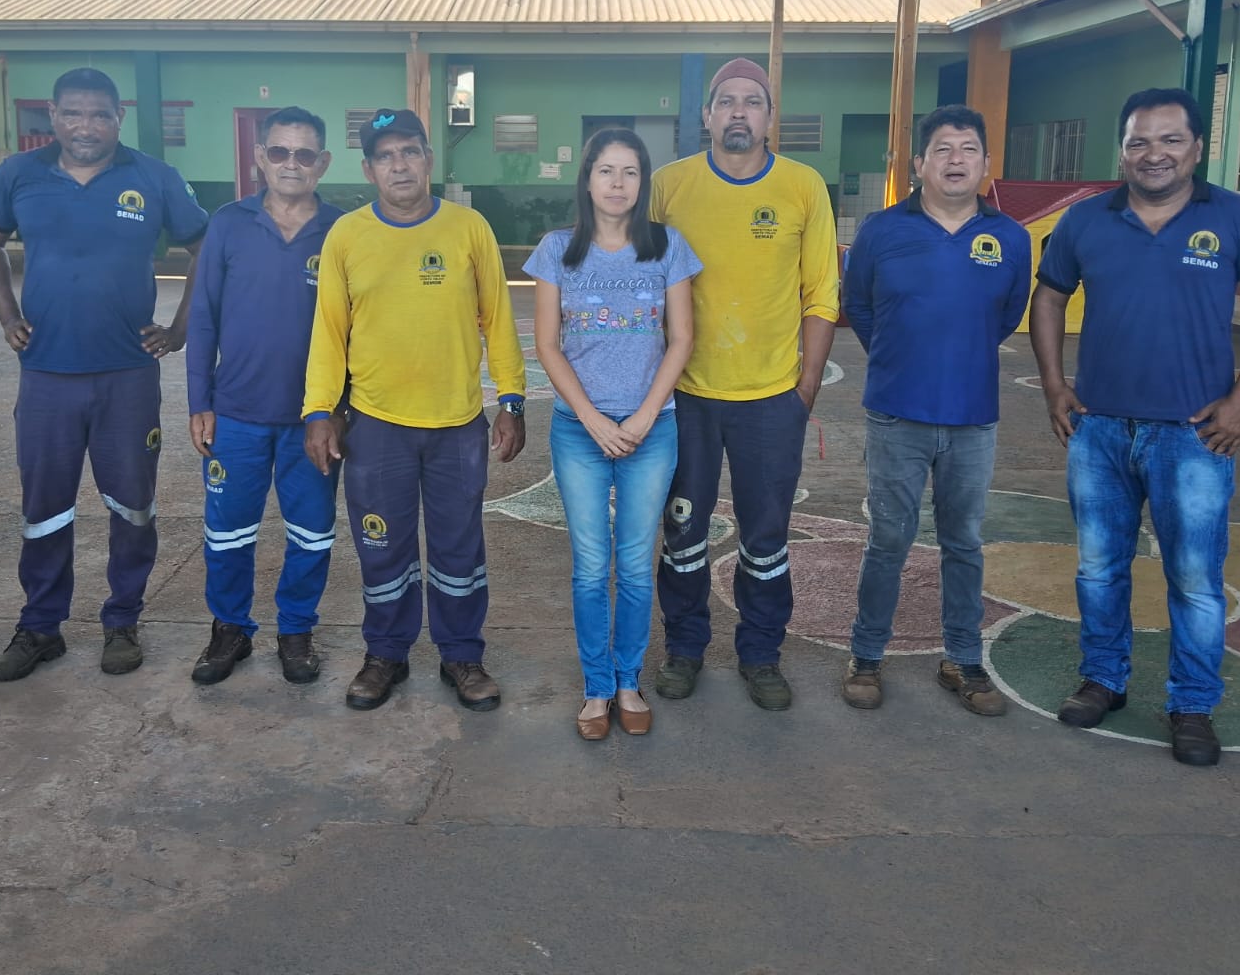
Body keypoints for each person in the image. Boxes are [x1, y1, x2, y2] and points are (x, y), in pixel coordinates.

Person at [1031, 87, 1240, 767]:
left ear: (1198, 148)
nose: (1154, 154)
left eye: (1170, 140)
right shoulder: (1087, 221)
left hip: (1194, 437)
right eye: (1139, 141)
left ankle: (1191, 705)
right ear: (1121, 151)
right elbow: (1050, 296)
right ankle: (1104, 680)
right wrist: (1056, 386)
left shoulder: (1237, 218)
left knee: (1195, 579)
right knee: (1098, 571)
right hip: (1100, 431)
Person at [0, 68, 208, 682]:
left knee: (133, 506)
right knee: (44, 507)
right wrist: (7, 315)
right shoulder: (18, 175)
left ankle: (122, 619)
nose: (85, 126)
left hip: (128, 375)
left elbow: (205, 248)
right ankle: (40, 626)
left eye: (99, 114)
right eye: (73, 113)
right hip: (47, 374)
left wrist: (180, 327)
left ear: (118, 118)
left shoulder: (153, 177)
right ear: (51, 115)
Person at [303, 108, 526, 713]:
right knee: (381, 545)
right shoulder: (347, 235)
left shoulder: (468, 229)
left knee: (459, 547)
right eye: (385, 155)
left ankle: (462, 654)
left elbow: (499, 319)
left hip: (457, 424)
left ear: (429, 158)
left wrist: (511, 398)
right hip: (376, 426)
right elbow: (329, 332)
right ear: (369, 168)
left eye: (409, 151)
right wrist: (319, 411)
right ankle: (386, 654)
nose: (398, 164)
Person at [649, 58, 840, 710]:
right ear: (705, 116)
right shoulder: (668, 187)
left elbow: (821, 296)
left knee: (766, 538)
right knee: (682, 532)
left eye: (752, 101)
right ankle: (684, 648)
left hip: (770, 403)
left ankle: (761, 653)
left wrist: (803, 391)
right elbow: (638, 283)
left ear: (768, 117)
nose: (738, 111)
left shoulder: (802, 186)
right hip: (686, 399)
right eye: (725, 101)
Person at [840, 105, 1030, 715]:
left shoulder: (1008, 238)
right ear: (918, 164)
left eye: (968, 148)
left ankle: (963, 661)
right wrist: (901, 358)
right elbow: (860, 308)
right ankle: (867, 656)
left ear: (985, 163)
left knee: (964, 543)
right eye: (942, 149)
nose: (955, 159)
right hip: (897, 414)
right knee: (888, 539)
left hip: (973, 418)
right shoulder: (881, 230)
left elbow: (1006, 315)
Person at [526, 128, 699, 740]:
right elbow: (547, 344)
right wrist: (595, 419)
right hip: (580, 430)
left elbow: (681, 338)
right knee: (590, 564)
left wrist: (647, 414)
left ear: (642, 182)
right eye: (606, 171)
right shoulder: (556, 251)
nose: (618, 183)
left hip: (652, 428)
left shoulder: (667, 248)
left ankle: (629, 681)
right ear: (588, 180)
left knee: (633, 561)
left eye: (630, 172)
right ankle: (596, 688)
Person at [185, 106, 344, 686]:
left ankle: (296, 630)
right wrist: (200, 402)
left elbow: (358, 327)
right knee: (227, 531)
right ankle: (229, 629)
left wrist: (339, 411)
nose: (291, 164)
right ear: (260, 157)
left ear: (323, 162)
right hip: (237, 415)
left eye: (305, 154)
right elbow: (202, 318)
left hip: (314, 421)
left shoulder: (343, 229)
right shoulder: (227, 223)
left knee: (312, 531)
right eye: (279, 152)